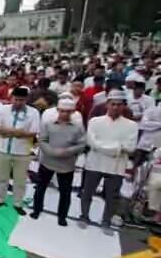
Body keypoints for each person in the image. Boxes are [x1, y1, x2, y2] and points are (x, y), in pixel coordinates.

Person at [80, 90, 138, 231]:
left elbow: (130, 148)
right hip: (95, 162)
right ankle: (84, 216)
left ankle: (106, 221)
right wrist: (117, 148)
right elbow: (90, 142)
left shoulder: (131, 125)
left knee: (112, 197)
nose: (116, 107)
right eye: (113, 104)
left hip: (116, 166)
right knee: (87, 192)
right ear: (107, 104)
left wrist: (102, 147)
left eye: (119, 105)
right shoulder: (95, 121)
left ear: (124, 106)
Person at [32, 99, 87, 226]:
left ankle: (62, 216)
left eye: (68, 112)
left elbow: (82, 144)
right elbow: (42, 140)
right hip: (48, 161)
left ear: (73, 112)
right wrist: (51, 152)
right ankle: (37, 209)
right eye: (62, 111)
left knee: (65, 192)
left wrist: (66, 152)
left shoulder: (78, 127)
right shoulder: (48, 123)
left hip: (66, 164)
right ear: (57, 110)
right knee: (40, 187)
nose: (65, 114)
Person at [0, 86, 40, 215]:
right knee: (1, 177)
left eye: (22, 100)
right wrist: (16, 132)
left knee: (20, 179)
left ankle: (18, 202)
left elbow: (33, 132)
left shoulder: (33, 112)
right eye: (16, 99)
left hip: (23, 152)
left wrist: (8, 132)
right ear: (11, 98)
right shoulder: (3, 109)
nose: (18, 102)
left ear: (26, 99)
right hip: (2, 148)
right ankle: (0, 199)